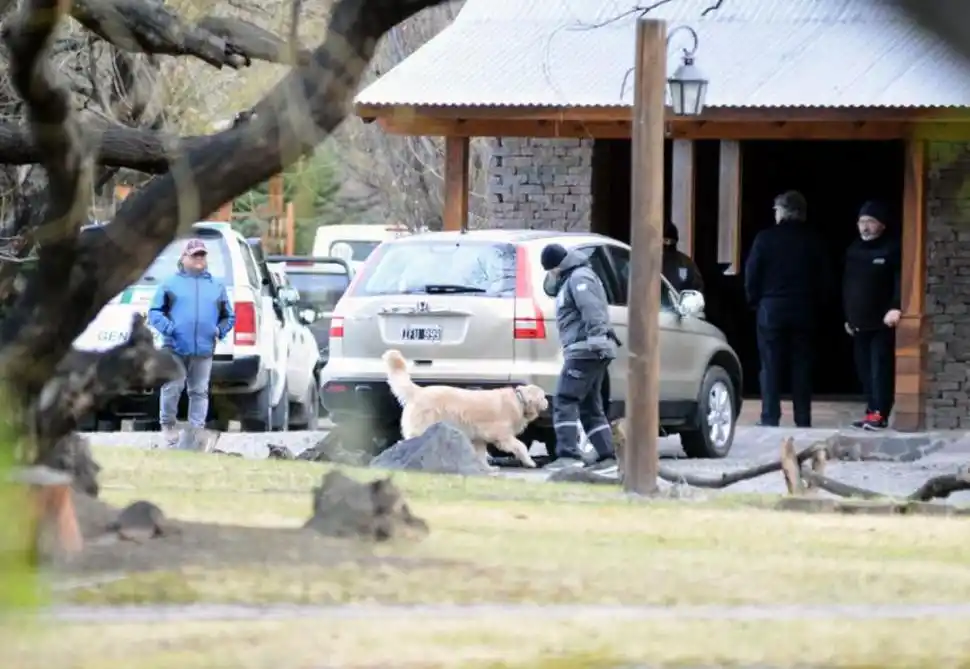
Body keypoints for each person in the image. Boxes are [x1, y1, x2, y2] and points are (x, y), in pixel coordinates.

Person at [744, 190, 832, 428]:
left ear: (782, 211)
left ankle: (770, 416)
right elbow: (824, 278)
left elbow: (752, 275)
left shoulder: (765, 238)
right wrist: (818, 304)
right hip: (805, 308)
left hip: (771, 308)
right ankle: (803, 418)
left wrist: (755, 301)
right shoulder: (814, 239)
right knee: (802, 366)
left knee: (770, 365)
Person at [148, 239, 235, 447]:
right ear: (184, 258)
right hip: (174, 347)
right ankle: (168, 425)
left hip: (204, 348)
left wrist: (218, 330)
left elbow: (228, 316)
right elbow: (155, 312)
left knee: (199, 391)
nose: (199, 258)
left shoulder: (216, 286)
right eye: (195, 255)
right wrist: (170, 329)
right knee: (173, 387)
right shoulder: (170, 284)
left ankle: (196, 430)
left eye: (202, 255)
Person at [539, 243, 619, 469]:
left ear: (556, 266)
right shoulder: (573, 276)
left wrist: (596, 340)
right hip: (588, 350)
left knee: (565, 399)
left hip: (585, 350)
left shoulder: (578, 278)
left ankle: (568, 456)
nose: (551, 275)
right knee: (590, 407)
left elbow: (592, 309)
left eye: (550, 270)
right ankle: (607, 457)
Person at [843, 200, 901, 430]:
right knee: (864, 370)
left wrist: (895, 306)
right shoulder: (853, 250)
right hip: (858, 321)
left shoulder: (892, 249)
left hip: (882, 322)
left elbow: (900, 281)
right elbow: (847, 286)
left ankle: (880, 413)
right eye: (862, 222)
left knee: (880, 369)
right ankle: (871, 410)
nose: (865, 227)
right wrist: (848, 316)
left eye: (871, 222)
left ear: (882, 225)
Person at [662, 221, 705, 294]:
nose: (667, 244)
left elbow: (696, 289)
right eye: (663, 240)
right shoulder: (646, 262)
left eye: (669, 241)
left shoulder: (685, 263)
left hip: (676, 304)